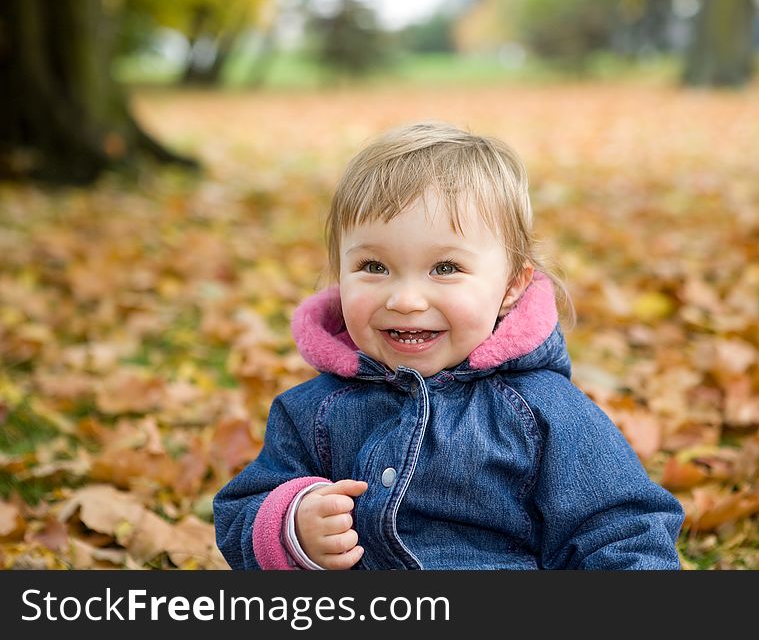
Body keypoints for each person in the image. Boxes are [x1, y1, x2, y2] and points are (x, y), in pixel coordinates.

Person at [213, 121, 684, 570]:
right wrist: (294, 526)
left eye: (445, 268)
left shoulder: (542, 411)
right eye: (374, 267)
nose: (405, 300)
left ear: (511, 287)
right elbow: (240, 513)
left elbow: (621, 529)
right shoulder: (311, 412)